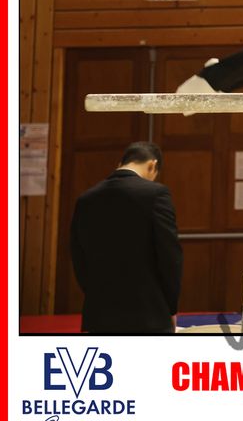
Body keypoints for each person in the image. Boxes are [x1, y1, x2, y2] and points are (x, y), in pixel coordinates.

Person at [70, 142, 182, 334]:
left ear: (120, 163)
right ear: (153, 165)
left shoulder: (85, 199)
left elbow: (78, 255)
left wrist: (96, 295)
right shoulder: (156, 194)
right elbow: (170, 256)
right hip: (149, 314)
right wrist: (170, 307)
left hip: (100, 314)